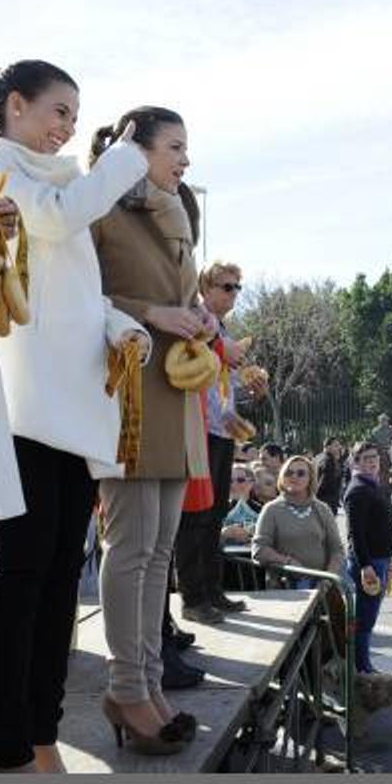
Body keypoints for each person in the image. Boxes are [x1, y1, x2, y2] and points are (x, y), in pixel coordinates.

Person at [0, 60, 150, 772]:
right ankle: (7, 740)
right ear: (15, 106)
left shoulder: (62, 183)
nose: (69, 126)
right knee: (23, 575)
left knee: (58, 579)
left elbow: (71, 295)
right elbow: (55, 222)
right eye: (58, 111)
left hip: (74, 413)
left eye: (76, 114)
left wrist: (115, 326)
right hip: (23, 410)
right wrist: (123, 155)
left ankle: (42, 729)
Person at [88, 105, 218, 755]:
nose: (185, 159)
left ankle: (147, 682)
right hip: (129, 393)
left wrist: (197, 315)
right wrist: (157, 313)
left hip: (175, 394)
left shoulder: (174, 210)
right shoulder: (98, 209)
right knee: (131, 548)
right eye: (174, 146)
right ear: (133, 148)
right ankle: (127, 687)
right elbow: (78, 301)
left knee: (159, 552)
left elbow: (177, 297)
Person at [172, 261, 248, 624]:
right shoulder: (198, 320)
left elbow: (223, 385)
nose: (233, 293)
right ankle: (193, 596)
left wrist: (242, 401)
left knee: (215, 513)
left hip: (220, 431)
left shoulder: (223, 328)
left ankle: (212, 591)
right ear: (206, 287)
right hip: (198, 430)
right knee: (195, 516)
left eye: (237, 287)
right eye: (227, 286)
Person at [252, 455, 343, 588]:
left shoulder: (322, 509)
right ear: (282, 477)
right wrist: (287, 562)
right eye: (289, 473)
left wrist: (328, 579)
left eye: (301, 473)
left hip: (321, 586)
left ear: (310, 478)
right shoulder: (271, 510)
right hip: (285, 587)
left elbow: (337, 550)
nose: (294, 477)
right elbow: (259, 549)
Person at [343, 440, 392, 673]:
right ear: (356, 462)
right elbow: (356, 534)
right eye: (366, 458)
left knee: (368, 617)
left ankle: (361, 665)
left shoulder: (374, 485)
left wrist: (389, 558)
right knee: (365, 619)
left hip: (380, 559)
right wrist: (366, 566)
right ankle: (361, 667)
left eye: (374, 457)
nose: (372, 462)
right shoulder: (358, 490)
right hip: (369, 563)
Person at [313, 436, 345, 515]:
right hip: (327, 502)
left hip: (320, 500)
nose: (339, 448)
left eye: (339, 445)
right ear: (328, 447)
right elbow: (324, 483)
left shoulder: (318, 457)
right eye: (336, 445)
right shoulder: (329, 461)